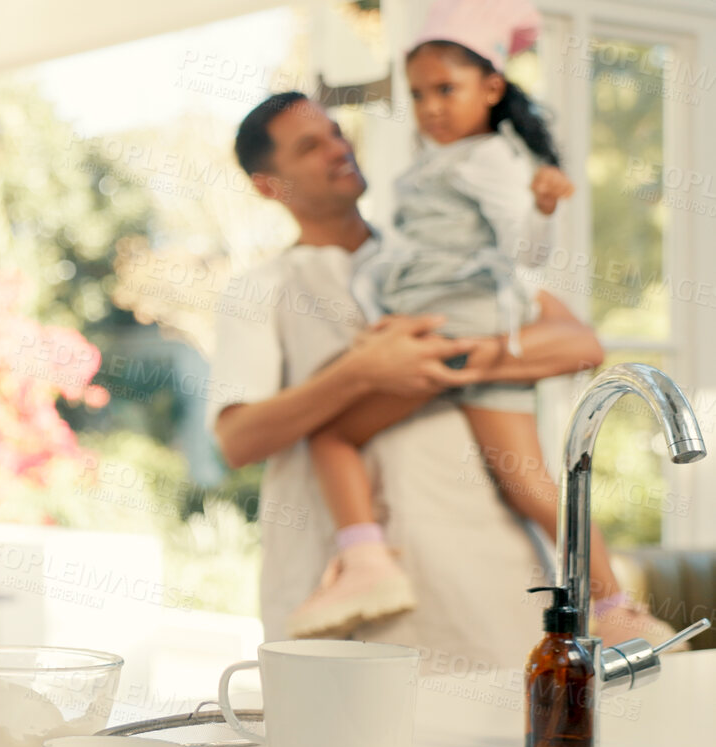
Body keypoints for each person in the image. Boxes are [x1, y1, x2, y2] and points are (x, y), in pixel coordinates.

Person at [290, 0, 656, 641]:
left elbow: (521, 251)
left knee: (332, 433)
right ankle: (613, 609)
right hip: (454, 326)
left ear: (490, 87)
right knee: (528, 485)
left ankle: (367, 560)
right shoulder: (443, 160)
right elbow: (409, 258)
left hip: (464, 327)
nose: (430, 107)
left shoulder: (491, 159)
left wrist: (542, 209)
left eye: (446, 90)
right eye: (420, 93)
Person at [213, 91, 614, 668]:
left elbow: (579, 344)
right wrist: (361, 372)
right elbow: (237, 440)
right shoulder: (261, 289)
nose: (337, 148)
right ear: (267, 184)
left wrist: (445, 358)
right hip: (342, 581)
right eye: (309, 146)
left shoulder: (435, 256)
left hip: (482, 563)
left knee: (505, 733)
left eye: (335, 132)